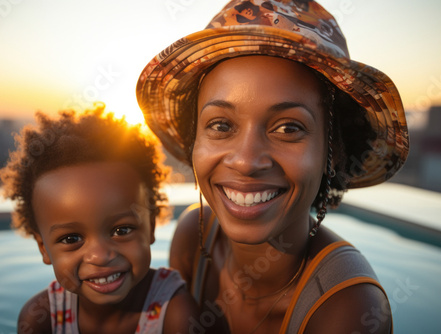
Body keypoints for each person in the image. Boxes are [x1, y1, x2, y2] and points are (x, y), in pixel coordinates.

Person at [136, 1, 409, 333]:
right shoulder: (192, 239)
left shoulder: (350, 309)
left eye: (288, 128)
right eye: (221, 125)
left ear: (333, 150)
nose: (247, 161)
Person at [0, 104, 199, 334]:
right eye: (72, 238)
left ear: (150, 226)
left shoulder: (175, 313)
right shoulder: (41, 320)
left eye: (122, 230)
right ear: (43, 248)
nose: (100, 256)